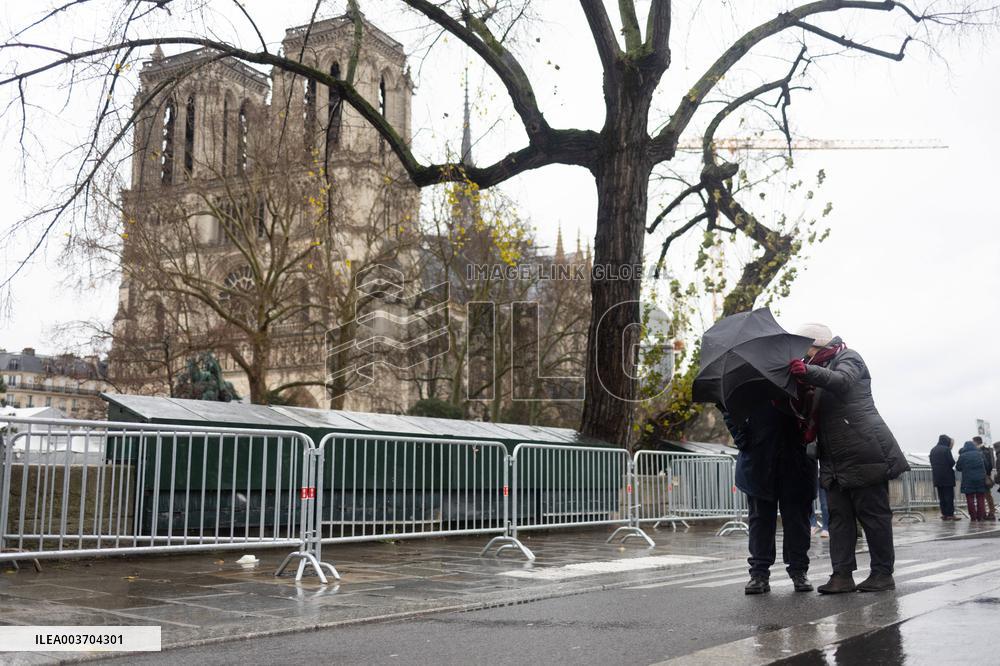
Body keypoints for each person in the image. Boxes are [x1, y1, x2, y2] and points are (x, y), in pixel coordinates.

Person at [789, 323, 909, 594]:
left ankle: (882, 573)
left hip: (863, 450)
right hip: (833, 457)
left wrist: (807, 371)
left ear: (815, 343)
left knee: (873, 515)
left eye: (803, 346)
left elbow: (842, 382)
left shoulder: (848, 357)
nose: (801, 354)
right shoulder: (817, 369)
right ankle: (841, 575)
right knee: (839, 519)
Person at [723, 390, 816, 595]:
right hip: (759, 458)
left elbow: (815, 409)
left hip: (796, 457)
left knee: (797, 520)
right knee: (760, 519)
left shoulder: (799, 375)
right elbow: (728, 407)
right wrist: (742, 437)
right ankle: (759, 573)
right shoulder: (748, 381)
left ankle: (799, 570)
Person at [956, 440, 988, 521]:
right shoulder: (980, 454)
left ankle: (973, 517)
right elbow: (987, 465)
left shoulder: (963, 456)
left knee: (970, 498)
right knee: (980, 498)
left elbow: (958, 467)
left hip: (968, 480)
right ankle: (980, 516)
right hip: (980, 479)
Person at [929, 435, 959, 521]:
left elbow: (931, 461)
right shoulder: (946, 449)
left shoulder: (933, 449)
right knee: (949, 496)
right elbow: (951, 462)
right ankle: (950, 514)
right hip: (947, 476)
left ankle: (944, 514)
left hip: (937, 476)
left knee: (941, 496)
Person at [973, 436, 996, 520]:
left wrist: (986, 474)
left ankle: (991, 512)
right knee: (984, 495)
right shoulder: (985, 450)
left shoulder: (983, 451)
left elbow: (988, 464)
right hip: (984, 475)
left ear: (976, 442)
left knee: (986, 495)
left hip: (984, 475)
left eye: (973, 442)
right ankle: (986, 512)